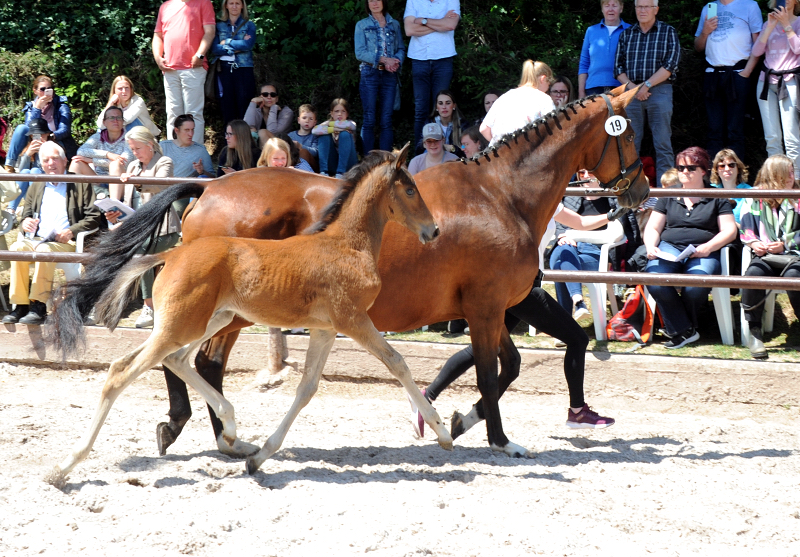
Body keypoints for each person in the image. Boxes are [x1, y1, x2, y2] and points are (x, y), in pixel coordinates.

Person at [643, 146, 738, 349]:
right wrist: (651, 246)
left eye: (690, 168)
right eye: (680, 168)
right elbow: (652, 226)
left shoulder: (717, 196)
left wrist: (708, 247)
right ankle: (686, 329)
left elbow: (729, 230)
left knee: (695, 286)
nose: (684, 172)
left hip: (704, 249)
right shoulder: (669, 194)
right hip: (669, 247)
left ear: (703, 171)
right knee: (654, 279)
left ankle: (680, 329)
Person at [2, 142, 101, 325]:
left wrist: (72, 231)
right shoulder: (37, 185)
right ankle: (20, 305)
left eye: (55, 158)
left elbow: (94, 216)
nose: (51, 163)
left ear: (65, 161)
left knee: (45, 251)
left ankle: (38, 306)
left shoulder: (79, 183)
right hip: (37, 239)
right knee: (16, 248)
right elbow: (27, 214)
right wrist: (26, 222)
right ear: (41, 164)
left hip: (65, 241)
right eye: (46, 160)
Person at [105, 127, 179, 328]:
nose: (135, 153)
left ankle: (149, 307)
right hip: (137, 227)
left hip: (163, 228)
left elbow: (161, 185)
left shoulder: (164, 162)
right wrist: (115, 216)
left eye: (137, 148)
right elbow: (129, 204)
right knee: (107, 246)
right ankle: (110, 301)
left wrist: (136, 182)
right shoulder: (132, 167)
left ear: (150, 145)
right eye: (132, 149)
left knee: (140, 250)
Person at [549, 170, 635, 320]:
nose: (587, 176)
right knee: (565, 250)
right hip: (568, 247)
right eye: (582, 173)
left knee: (559, 265)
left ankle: (565, 322)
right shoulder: (569, 197)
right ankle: (578, 301)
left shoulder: (613, 199)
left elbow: (617, 234)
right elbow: (559, 228)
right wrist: (564, 237)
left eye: (592, 172)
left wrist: (573, 234)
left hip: (596, 251)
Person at [739, 154, 800, 359]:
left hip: (794, 256)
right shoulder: (755, 196)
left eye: (792, 171)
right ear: (774, 174)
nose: (792, 176)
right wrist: (755, 243)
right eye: (787, 172)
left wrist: (785, 244)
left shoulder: (798, 195)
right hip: (764, 257)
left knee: (795, 278)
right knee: (753, 275)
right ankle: (754, 331)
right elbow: (746, 228)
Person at [615, 0, 681, 187]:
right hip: (631, 93)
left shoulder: (668, 32)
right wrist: (634, 88)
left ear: (656, 9)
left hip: (660, 90)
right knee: (629, 145)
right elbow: (618, 68)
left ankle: (668, 194)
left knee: (662, 144)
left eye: (646, 6)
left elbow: (671, 65)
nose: (642, 10)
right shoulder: (627, 34)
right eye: (639, 7)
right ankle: (630, 191)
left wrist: (646, 85)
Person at [694, 0, 761, 161]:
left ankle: (736, 179)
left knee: (735, 130)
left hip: (737, 73)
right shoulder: (708, 8)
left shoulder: (749, 6)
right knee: (714, 130)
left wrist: (747, 71)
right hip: (712, 74)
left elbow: (759, 43)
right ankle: (714, 180)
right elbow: (698, 47)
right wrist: (705, 32)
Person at [153, 0, 216, 143]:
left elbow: (210, 32)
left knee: (193, 114)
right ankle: (174, 153)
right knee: (173, 114)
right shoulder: (165, 6)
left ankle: (195, 153)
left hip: (193, 68)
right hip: (169, 69)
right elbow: (158, 36)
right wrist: (158, 58)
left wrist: (200, 55)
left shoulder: (203, 3)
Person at [752, 0, 800, 179]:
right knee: (771, 138)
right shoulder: (768, 23)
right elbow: (756, 52)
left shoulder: (798, 22)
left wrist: (787, 24)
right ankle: (776, 181)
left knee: (792, 138)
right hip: (766, 83)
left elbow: (798, 49)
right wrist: (770, 27)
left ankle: (795, 183)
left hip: (790, 82)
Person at [403, 0, 460, 149]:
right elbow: (409, 30)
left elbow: (450, 25)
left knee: (441, 109)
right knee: (420, 110)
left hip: (443, 59)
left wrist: (422, 21)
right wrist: (440, 24)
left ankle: (441, 153)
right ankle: (420, 154)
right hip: (419, 58)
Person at [356, 0, 406, 153]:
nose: (375, 3)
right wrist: (384, 60)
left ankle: (386, 162)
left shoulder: (394, 24)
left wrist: (396, 62)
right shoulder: (361, 25)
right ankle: (367, 161)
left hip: (389, 75)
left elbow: (401, 49)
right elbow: (360, 53)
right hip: (370, 72)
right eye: (371, 0)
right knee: (369, 119)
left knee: (386, 120)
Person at [4, 75, 78, 171]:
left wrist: (50, 136)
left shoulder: (61, 106)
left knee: (42, 141)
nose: (46, 92)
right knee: (21, 128)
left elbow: (65, 130)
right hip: (36, 138)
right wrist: (37, 109)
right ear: (35, 91)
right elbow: (29, 127)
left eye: (49, 89)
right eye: (43, 89)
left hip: (56, 139)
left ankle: (39, 171)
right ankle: (9, 165)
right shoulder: (32, 107)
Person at [480, 60, 555, 145]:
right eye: (549, 82)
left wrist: (499, 145)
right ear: (543, 79)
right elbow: (552, 129)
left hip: (498, 154)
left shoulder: (504, 97)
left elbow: (483, 129)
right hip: (525, 152)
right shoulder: (544, 99)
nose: (549, 86)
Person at [70, 106, 134, 199]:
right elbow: (81, 151)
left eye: (119, 118)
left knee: (115, 165)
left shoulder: (129, 138)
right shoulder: (98, 137)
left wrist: (91, 160)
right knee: (76, 162)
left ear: (123, 121)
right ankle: (74, 202)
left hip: (121, 182)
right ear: (104, 122)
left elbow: (124, 161)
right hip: (98, 180)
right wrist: (108, 154)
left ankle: (114, 206)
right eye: (111, 118)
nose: (115, 120)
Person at [210, 0, 257, 127]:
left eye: (237, 3)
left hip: (243, 69)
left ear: (242, 5)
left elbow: (247, 45)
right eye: (231, 3)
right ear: (226, 5)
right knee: (227, 107)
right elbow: (214, 48)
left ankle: (245, 143)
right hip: (224, 70)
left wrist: (226, 42)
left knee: (244, 107)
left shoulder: (249, 25)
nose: (234, 6)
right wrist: (235, 47)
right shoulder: (219, 26)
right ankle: (229, 143)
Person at [160, 114, 214, 216]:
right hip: (161, 190)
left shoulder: (200, 150)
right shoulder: (163, 146)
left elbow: (213, 178)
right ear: (177, 131)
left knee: (174, 208)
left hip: (182, 194)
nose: (191, 134)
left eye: (192, 130)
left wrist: (202, 171)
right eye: (187, 130)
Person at [578, 0, 631, 98]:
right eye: (607, 6)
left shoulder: (631, 30)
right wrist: (581, 92)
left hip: (621, 87)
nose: (610, 9)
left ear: (621, 8)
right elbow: (584, 63)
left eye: (614, 6)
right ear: (602, 9)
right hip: (593, 87)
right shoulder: (591, 31)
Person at [6, 118, 51, 213]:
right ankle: (11, 211)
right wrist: (28, 154)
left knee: (35, 171)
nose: (39, 137)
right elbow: (21, 170)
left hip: (47, 188)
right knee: (25, 172)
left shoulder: (54, 147)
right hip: (29, 189)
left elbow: (49, 171)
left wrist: (44, 151)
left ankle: (36, 211)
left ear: (48, 133)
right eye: (35, 135)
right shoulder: (28, 147)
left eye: (41, 134)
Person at [96, 75, 161, 136]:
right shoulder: (114, 104)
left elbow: (126, 119)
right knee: (101, 131)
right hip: (124, 136)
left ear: (131, 89)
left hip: (144, 137)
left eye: (127, 88)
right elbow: (101, 124)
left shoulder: (138, 101)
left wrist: (110, 121)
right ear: (114, 91)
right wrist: (111, 103)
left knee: (131, 123)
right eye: (120, 88)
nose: (124, 91)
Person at [312, 98, 358, 178]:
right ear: (331, 113)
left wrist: (331, 125)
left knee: (344, 134)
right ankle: (323, 171)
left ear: (347, 114)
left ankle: (341, 173)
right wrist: (332, 128)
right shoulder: (328, 123)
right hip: (333, 163)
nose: (340, 114)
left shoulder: (351, 123)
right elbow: (314, 131)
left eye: (343, 111)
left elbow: (351, 126)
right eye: (336, 111)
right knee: (323, 135)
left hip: (348, 164)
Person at [243, 83, 294, 148]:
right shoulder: (257, 111)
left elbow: (272, 131)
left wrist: (273, 108)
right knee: (251, 130)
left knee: (263, 133)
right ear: (260, 97)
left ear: (277, 98)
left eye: (273, 95)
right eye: (265, 94)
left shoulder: (286, 112)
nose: (269, 97)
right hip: (259, 148)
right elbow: (246, 127)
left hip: (282, 147)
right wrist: (253, 103)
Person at [710, 148, 752, 225]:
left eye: (731, 165)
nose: (727, 169)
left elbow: (751, 226)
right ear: (716, 170)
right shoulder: (710, 190)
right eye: (722, 166)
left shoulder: (749, 192)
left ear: (738, 168)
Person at [424, 90, 465, 155]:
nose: (444, 107)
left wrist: (453, 148)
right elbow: (419, 147)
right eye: (440, 103)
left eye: (448, 103)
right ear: (436, 107)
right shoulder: (429, 123)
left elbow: (465, 146)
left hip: (455, 162)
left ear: (454, 106)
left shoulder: (462, 124)